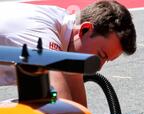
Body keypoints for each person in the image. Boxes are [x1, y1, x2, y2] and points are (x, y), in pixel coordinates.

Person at [0, 0, 136, 107]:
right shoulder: (44, 35)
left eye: (106, 60)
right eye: (101, 55)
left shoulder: (68, 33)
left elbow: (78, 111)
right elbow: (62, 112)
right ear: (85, 30)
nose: (99, 67)